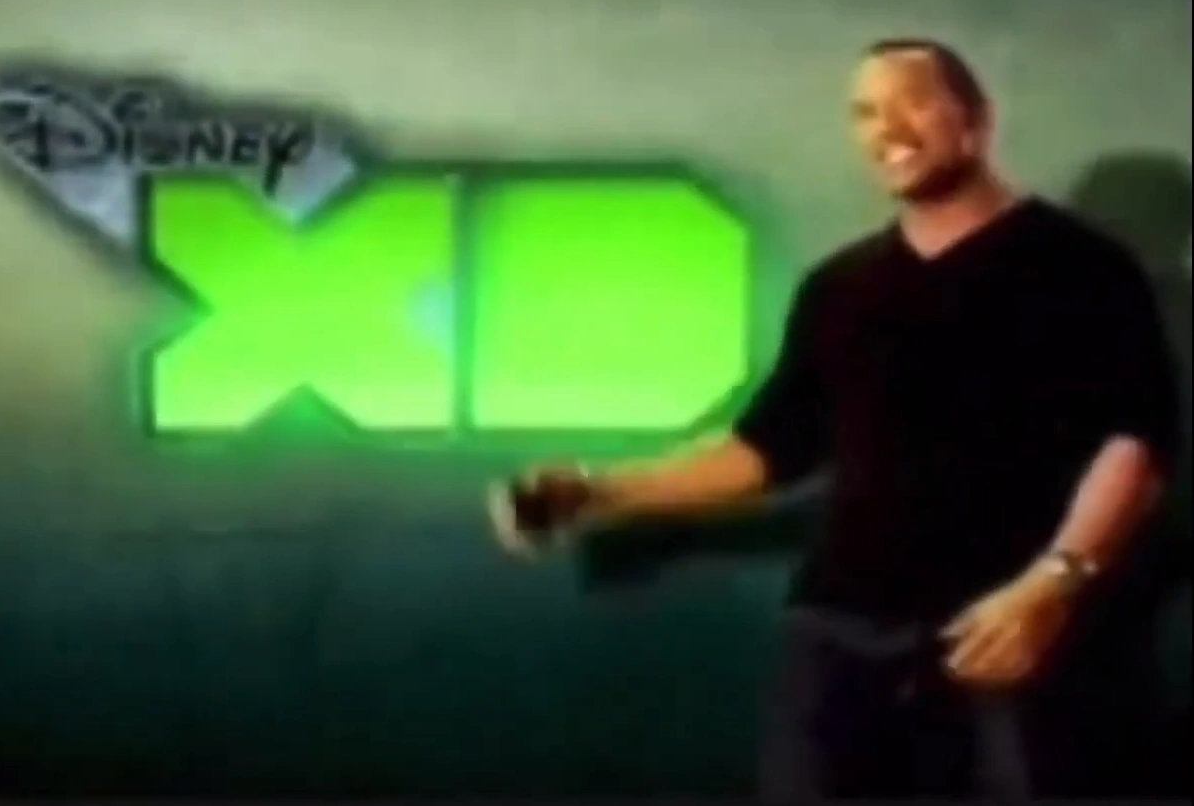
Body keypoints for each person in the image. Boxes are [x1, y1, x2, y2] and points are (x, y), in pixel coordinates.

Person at [489, 39, 1183, 799]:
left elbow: (1135, 446)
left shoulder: (1084, 268)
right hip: (841, 632)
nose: (889, 128)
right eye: (866, 112)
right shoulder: (840, 288)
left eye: (913, 102)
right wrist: (594, 492)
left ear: (976, 121)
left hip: (1004, 630)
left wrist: (1052, 586)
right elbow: (765, 451)